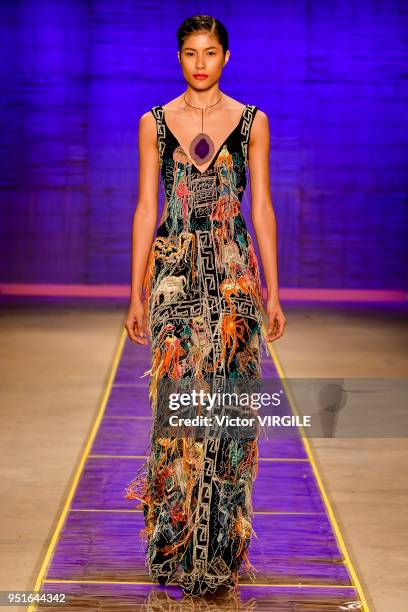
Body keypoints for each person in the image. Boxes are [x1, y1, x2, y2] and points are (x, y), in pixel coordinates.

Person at [124, 14, 285, 597]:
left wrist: (275, 288)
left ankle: (220, 550)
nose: (199, 62)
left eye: (210, 52)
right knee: (177, 419)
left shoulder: (251, 123)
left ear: (225, 57)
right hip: (173, 279)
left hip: (235, 283)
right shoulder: (155, 123)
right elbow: (147, 207)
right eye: (190, 52)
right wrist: (135, 289)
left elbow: (260, 206)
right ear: (178, 57)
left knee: (229, 417)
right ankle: (173, 546)